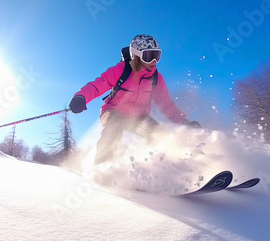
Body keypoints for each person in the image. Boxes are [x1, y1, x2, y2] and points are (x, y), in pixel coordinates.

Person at [69, 34, 199, 164]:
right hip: (113, 112)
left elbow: (167, 106)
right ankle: (102, 166)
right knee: (115, 125)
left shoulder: (156, 79)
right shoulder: (121, 70)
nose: (153, 61)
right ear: (136, 56)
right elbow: (96, 86)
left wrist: (185, 123)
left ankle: (152, 169)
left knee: (159, 135)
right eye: (149, 56)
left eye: (156, 56)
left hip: (139, 117)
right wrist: (81, 98)